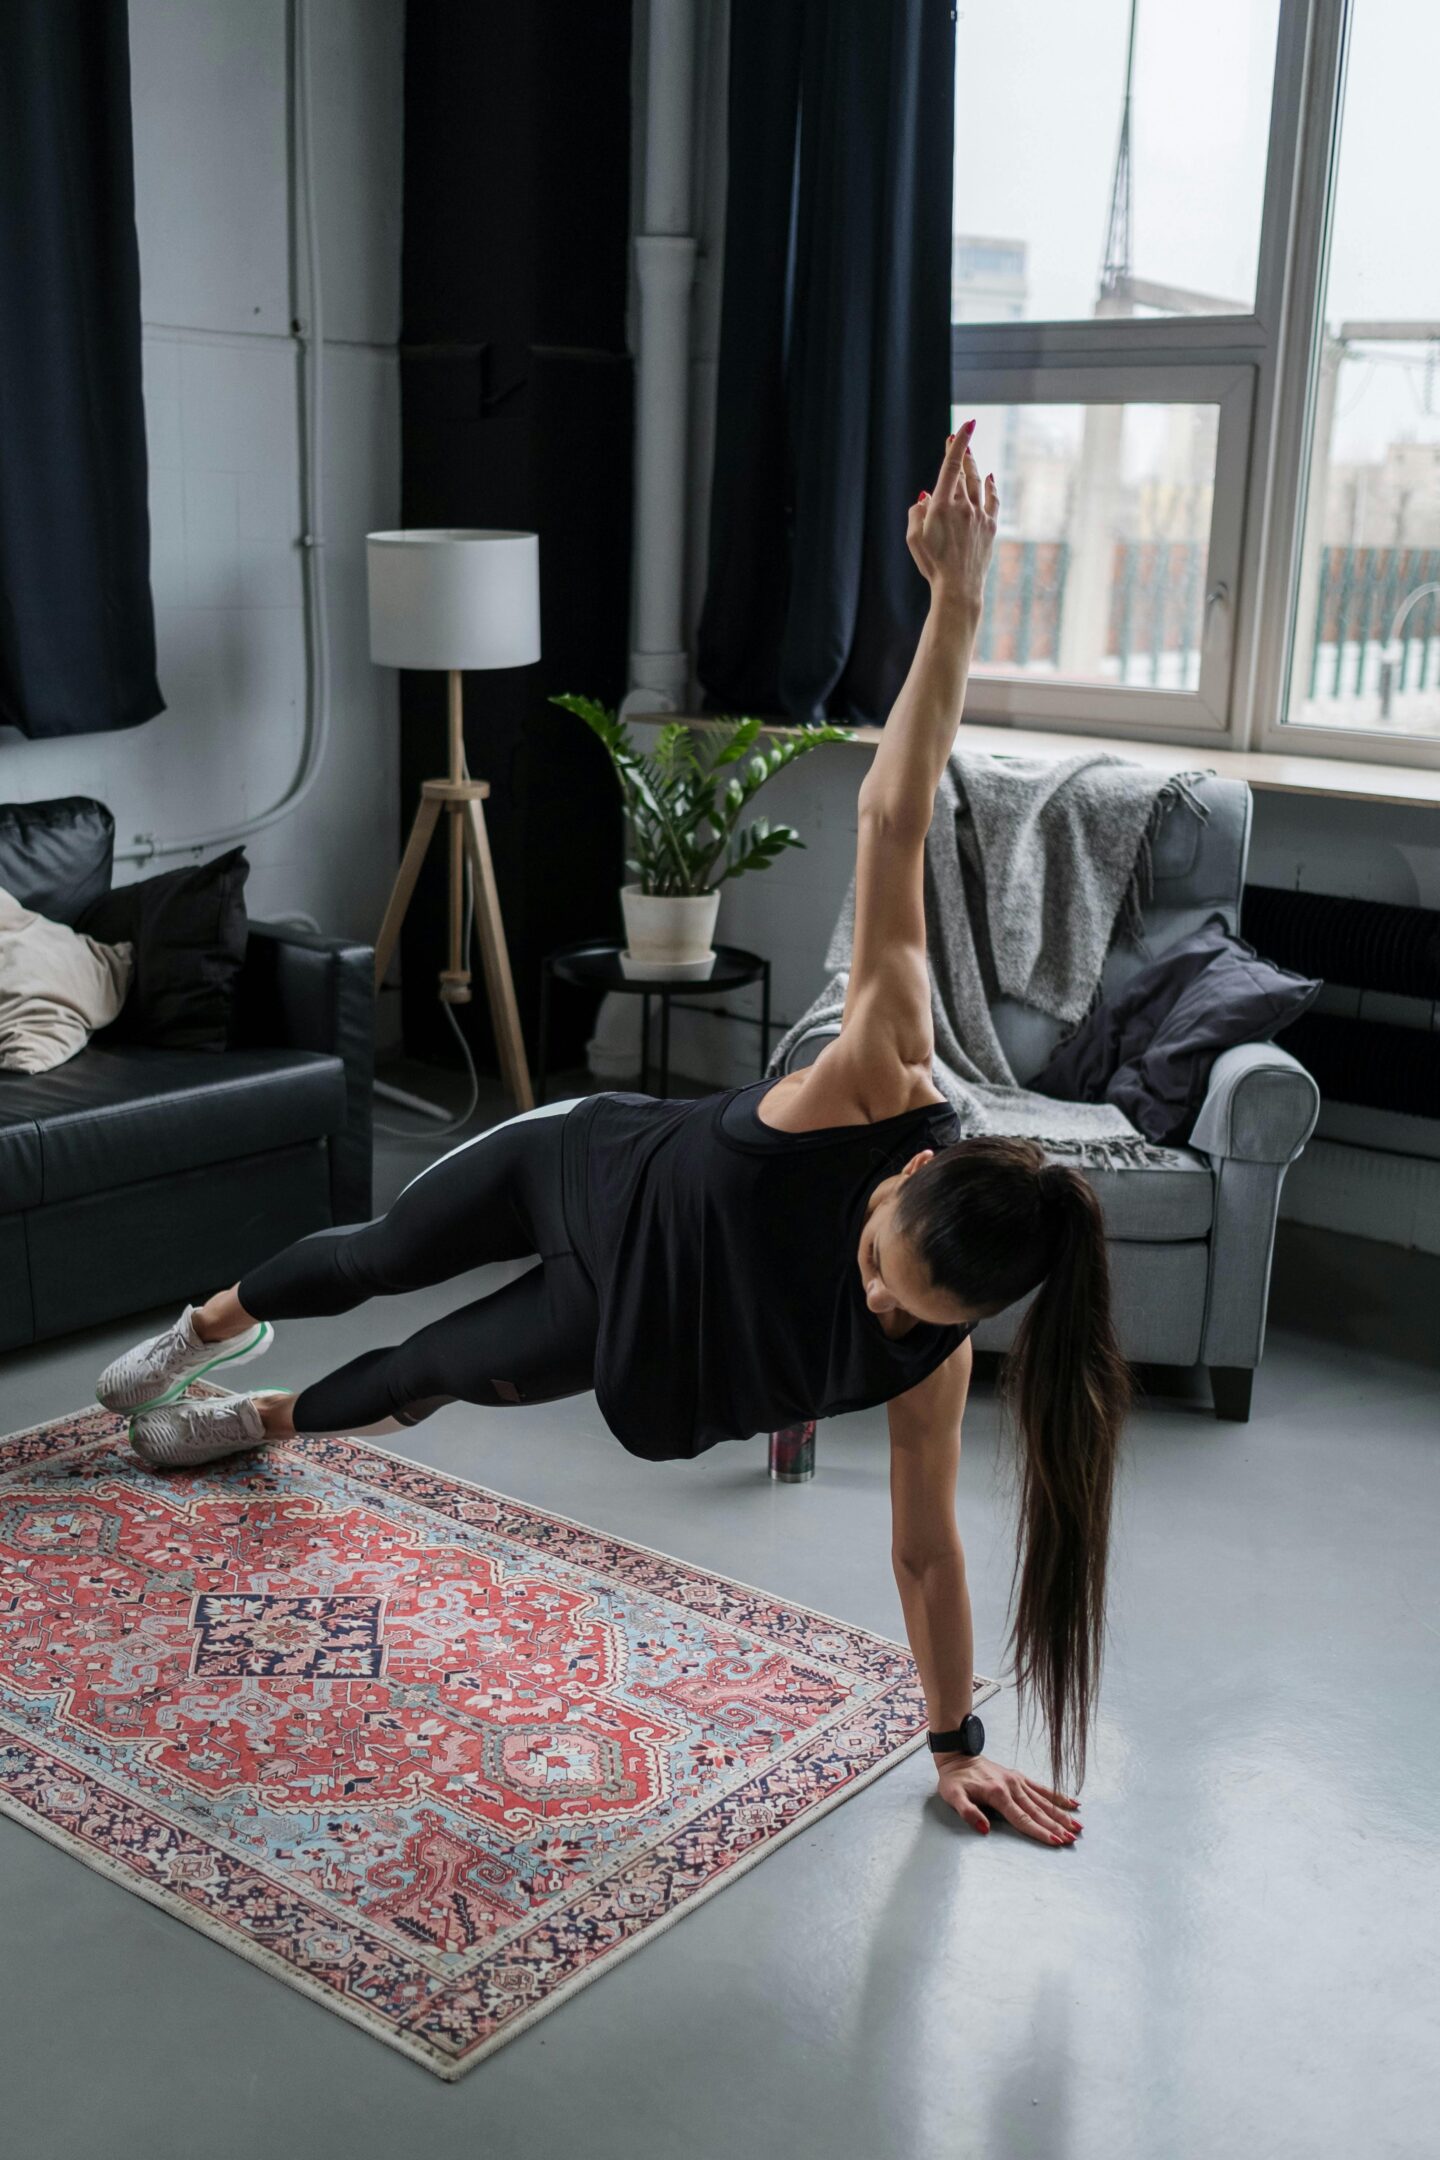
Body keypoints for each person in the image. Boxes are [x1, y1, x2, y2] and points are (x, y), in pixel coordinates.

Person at [97, 420, 1127, 1846]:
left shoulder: (929, 1350)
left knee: (416, 1376)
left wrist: (955, 1746)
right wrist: (954, 606)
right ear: (905, 1172)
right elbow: (891, 822)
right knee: (379, 1256)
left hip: (619, 1308)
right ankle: (204, 1324)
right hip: (574, 1162)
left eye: (910, 1311)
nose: (878, 1304)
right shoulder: (883, 1073)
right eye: (886, 1264)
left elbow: (928, 1552)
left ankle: (258, 1421)